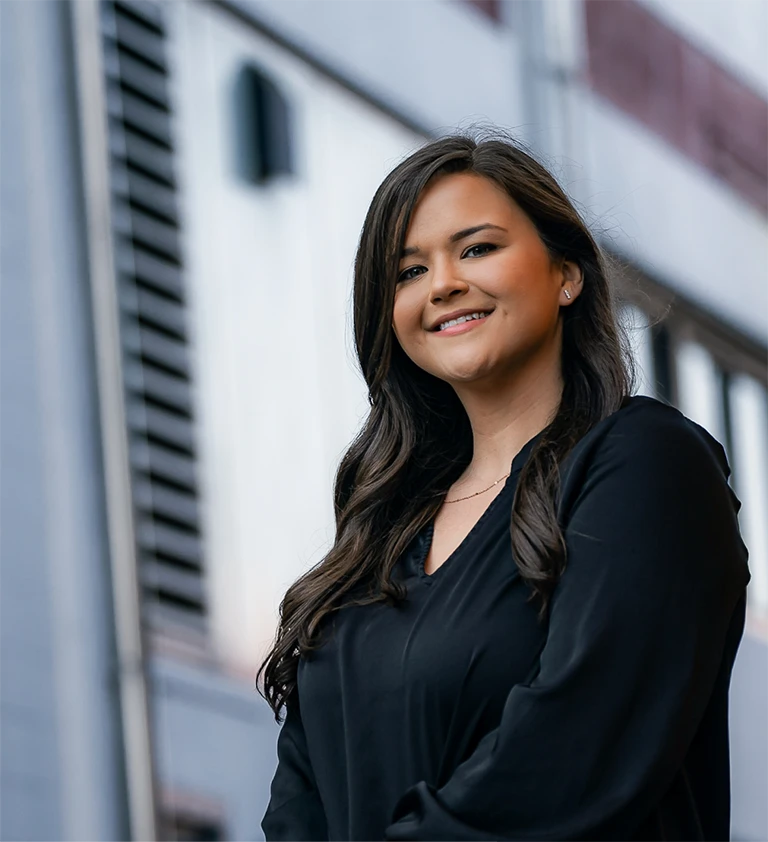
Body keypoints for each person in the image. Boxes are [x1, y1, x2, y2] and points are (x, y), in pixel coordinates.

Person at [257, 133, 751, 842]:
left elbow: (570, 757)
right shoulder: (376, 544)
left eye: (478, 248)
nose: (443, 283)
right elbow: (300, 807)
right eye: (407, 271)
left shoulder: (646, 466)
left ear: (566, 275)